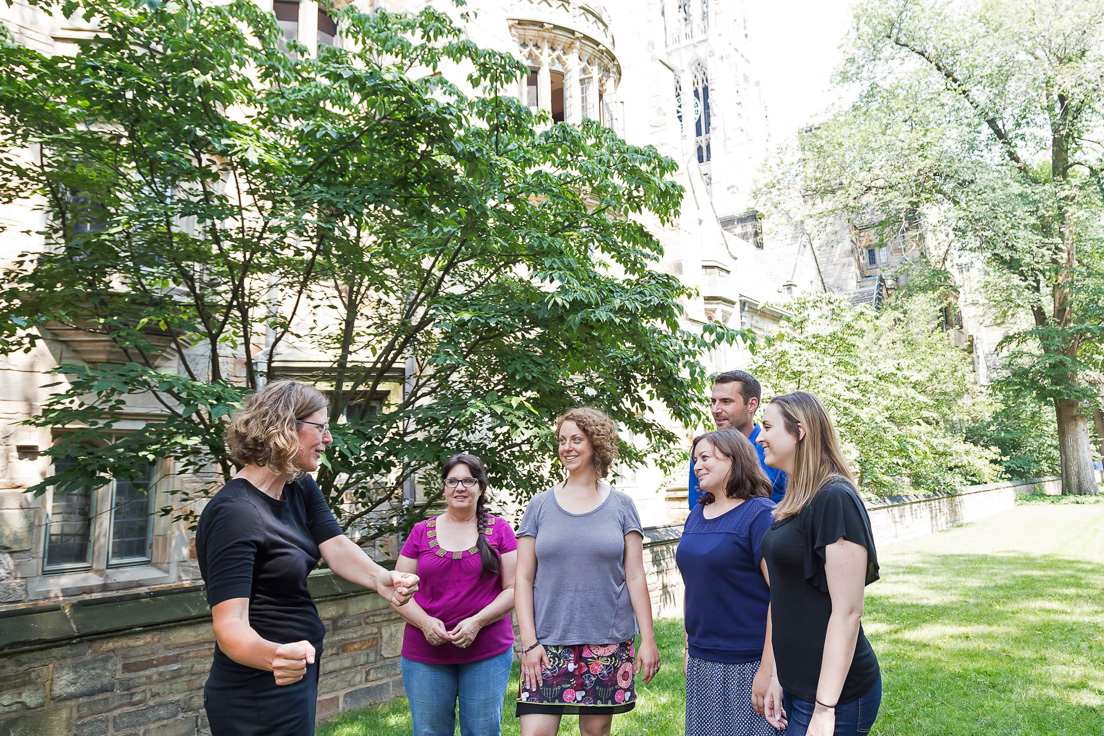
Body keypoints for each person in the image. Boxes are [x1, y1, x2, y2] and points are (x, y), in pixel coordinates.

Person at [196, 381, 418, 736]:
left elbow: (335, 544)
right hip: (257, 688)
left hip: (295, 672)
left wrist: (381, 579)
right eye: (321, 427)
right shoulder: (235, 512)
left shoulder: (297, 485)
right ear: (284, 426)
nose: (328, 439)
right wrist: (274, 657)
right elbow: (229, 625)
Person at [514, 407, 661, 736]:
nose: (567, 447)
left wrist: (648, 641)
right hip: (546, 642)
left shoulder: (622, 506)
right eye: (562, 440)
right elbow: (522, 578)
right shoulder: (538, 506)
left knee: (595, 733)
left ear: (595, 444)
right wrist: (528, 643)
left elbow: (635, 576)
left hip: (606, 643)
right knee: (535, 732)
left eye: (576, 439)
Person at [756, 392, 881, 736]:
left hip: (836, 696)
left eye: (767, 427)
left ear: (800, 432)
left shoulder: (835, 499)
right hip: (799, 687)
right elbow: (790, 600)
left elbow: (848, 612)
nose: (759, 437)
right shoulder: (796, 499)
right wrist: (780, 676)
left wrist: (825, 710)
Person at [392, 453, 518, 736]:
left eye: (468, 481)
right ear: (444, 487)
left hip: (487, 651)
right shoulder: (420, 532)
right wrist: (425, 623)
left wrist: (477, 622)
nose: (460, 487)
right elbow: (398, 590)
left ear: (481, 488)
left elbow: (514, 589)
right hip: (425, 653)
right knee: (429, 732)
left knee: (482, 731)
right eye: (452, 481)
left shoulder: (500, 531)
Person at [677, 429, 785, 736]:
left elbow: (782, 597)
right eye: (694, 459)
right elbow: (694, 582)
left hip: (749, 661)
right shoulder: (696, 514)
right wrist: (688, 646)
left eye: (706, 457)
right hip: (703, 660)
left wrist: (767, 670)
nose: (697, 465)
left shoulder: (760, 514)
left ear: (735, 460)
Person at [688, 371, 787, 508]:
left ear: (751, 404)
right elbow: (697, 515)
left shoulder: (777, 450)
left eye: (726, 402)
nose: (715, 409)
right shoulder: (702, 456)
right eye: (713, 402)